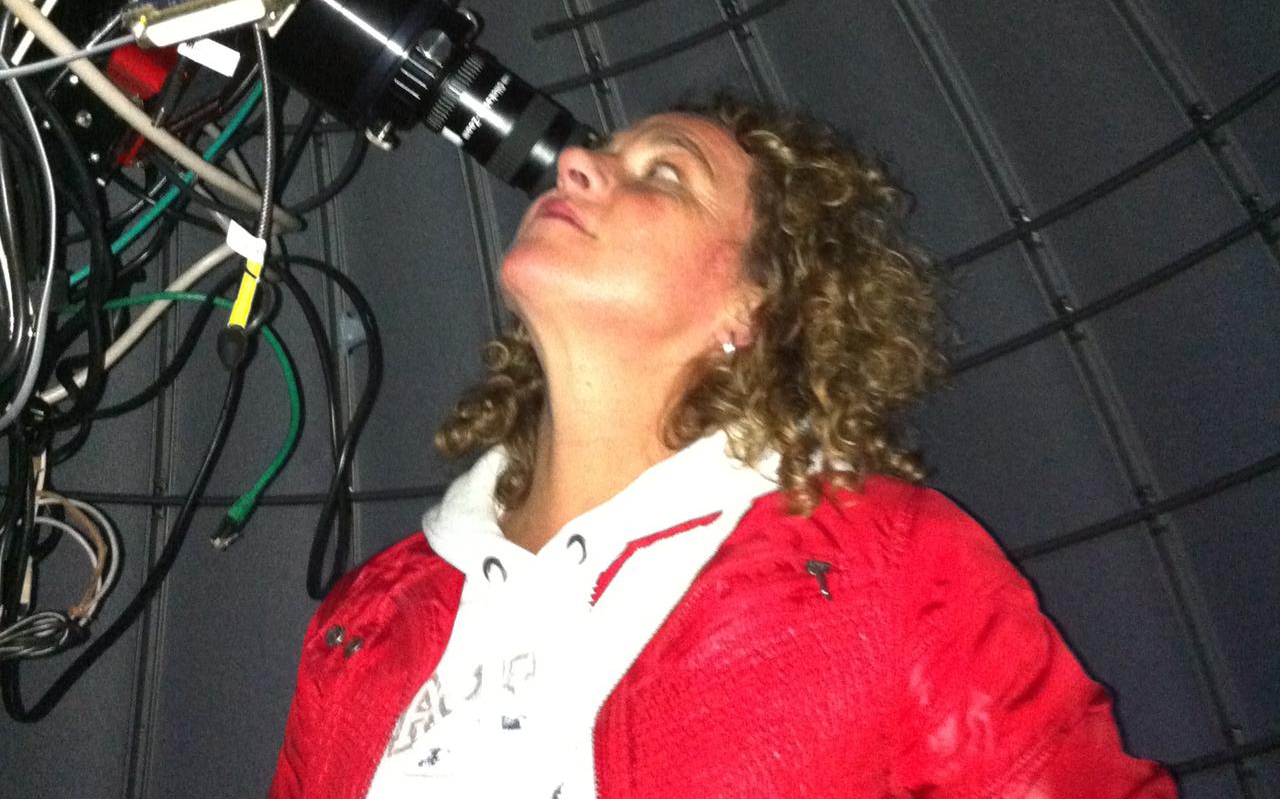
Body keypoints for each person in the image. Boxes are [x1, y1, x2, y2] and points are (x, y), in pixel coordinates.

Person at [269, 94, 1177, 798]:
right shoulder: (367, 616)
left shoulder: (889, 568)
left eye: (665, 173)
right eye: (601, 152)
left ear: (752, 306)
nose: (574, 163)